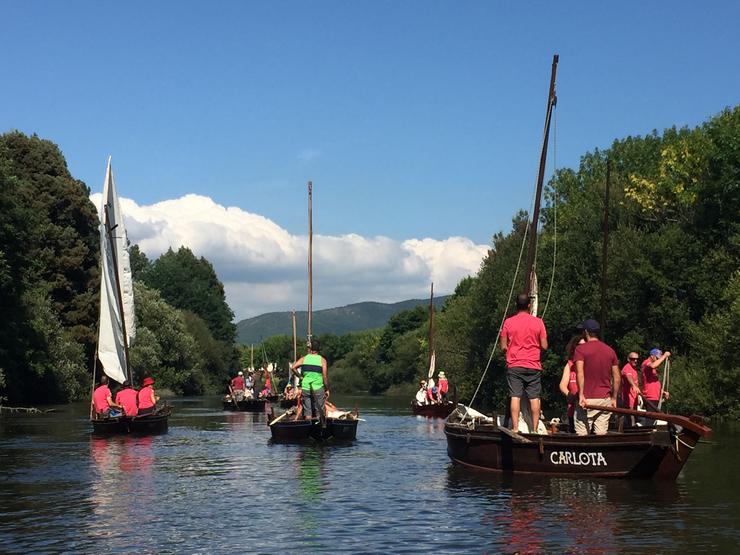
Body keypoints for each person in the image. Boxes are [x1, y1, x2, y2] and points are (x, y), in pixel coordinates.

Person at [500, 293, 548, 432]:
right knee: (534, 397)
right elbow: (544, 345)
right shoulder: (538, 322)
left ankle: (515, 428)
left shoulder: (508, 322)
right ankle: (534, 429)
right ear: (529, 305)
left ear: (516, 305)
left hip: (514, 365)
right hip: (533, 364)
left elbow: (503, 346)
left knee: (515, 396)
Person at [574, 319, 620, 436]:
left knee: (582, 435)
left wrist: (581, 395)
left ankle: (584, 453)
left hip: (587, 399)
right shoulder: (610, 351)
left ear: (585, 332)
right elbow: (617, 377)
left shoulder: (580, 350)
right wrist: (614, 398)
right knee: (601, 434)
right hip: (604, 399)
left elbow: (580, 373)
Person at [291, 340, 329, 420]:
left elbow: (293, 367)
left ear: (311, 349)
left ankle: (308, 427)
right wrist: (327, 389)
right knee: (319, 412)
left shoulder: (304, 359)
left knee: (308, 412)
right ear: (318, 349)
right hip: (318, 388)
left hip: (306, 388)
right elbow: (325, 377)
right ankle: (318, 427)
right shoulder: (322, 360)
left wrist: (300, 376)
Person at [558, 336, 585, 433]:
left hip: (588, 408)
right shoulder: (570, 364)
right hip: (573, 409)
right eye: (579, 345)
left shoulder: (589, 363)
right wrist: (570, 395)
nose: (582, 347)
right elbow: (562, 385)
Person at [641, 348, 671, 412]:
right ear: (652, 356)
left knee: (654, 419)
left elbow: (653, 384)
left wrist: (662, 392)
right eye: (657, 358)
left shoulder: (652, 370)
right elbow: (653, 365)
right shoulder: (646, 363)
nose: (658, 360)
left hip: (655, 396)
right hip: (650, 397)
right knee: (651, 420)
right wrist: (664, 356)